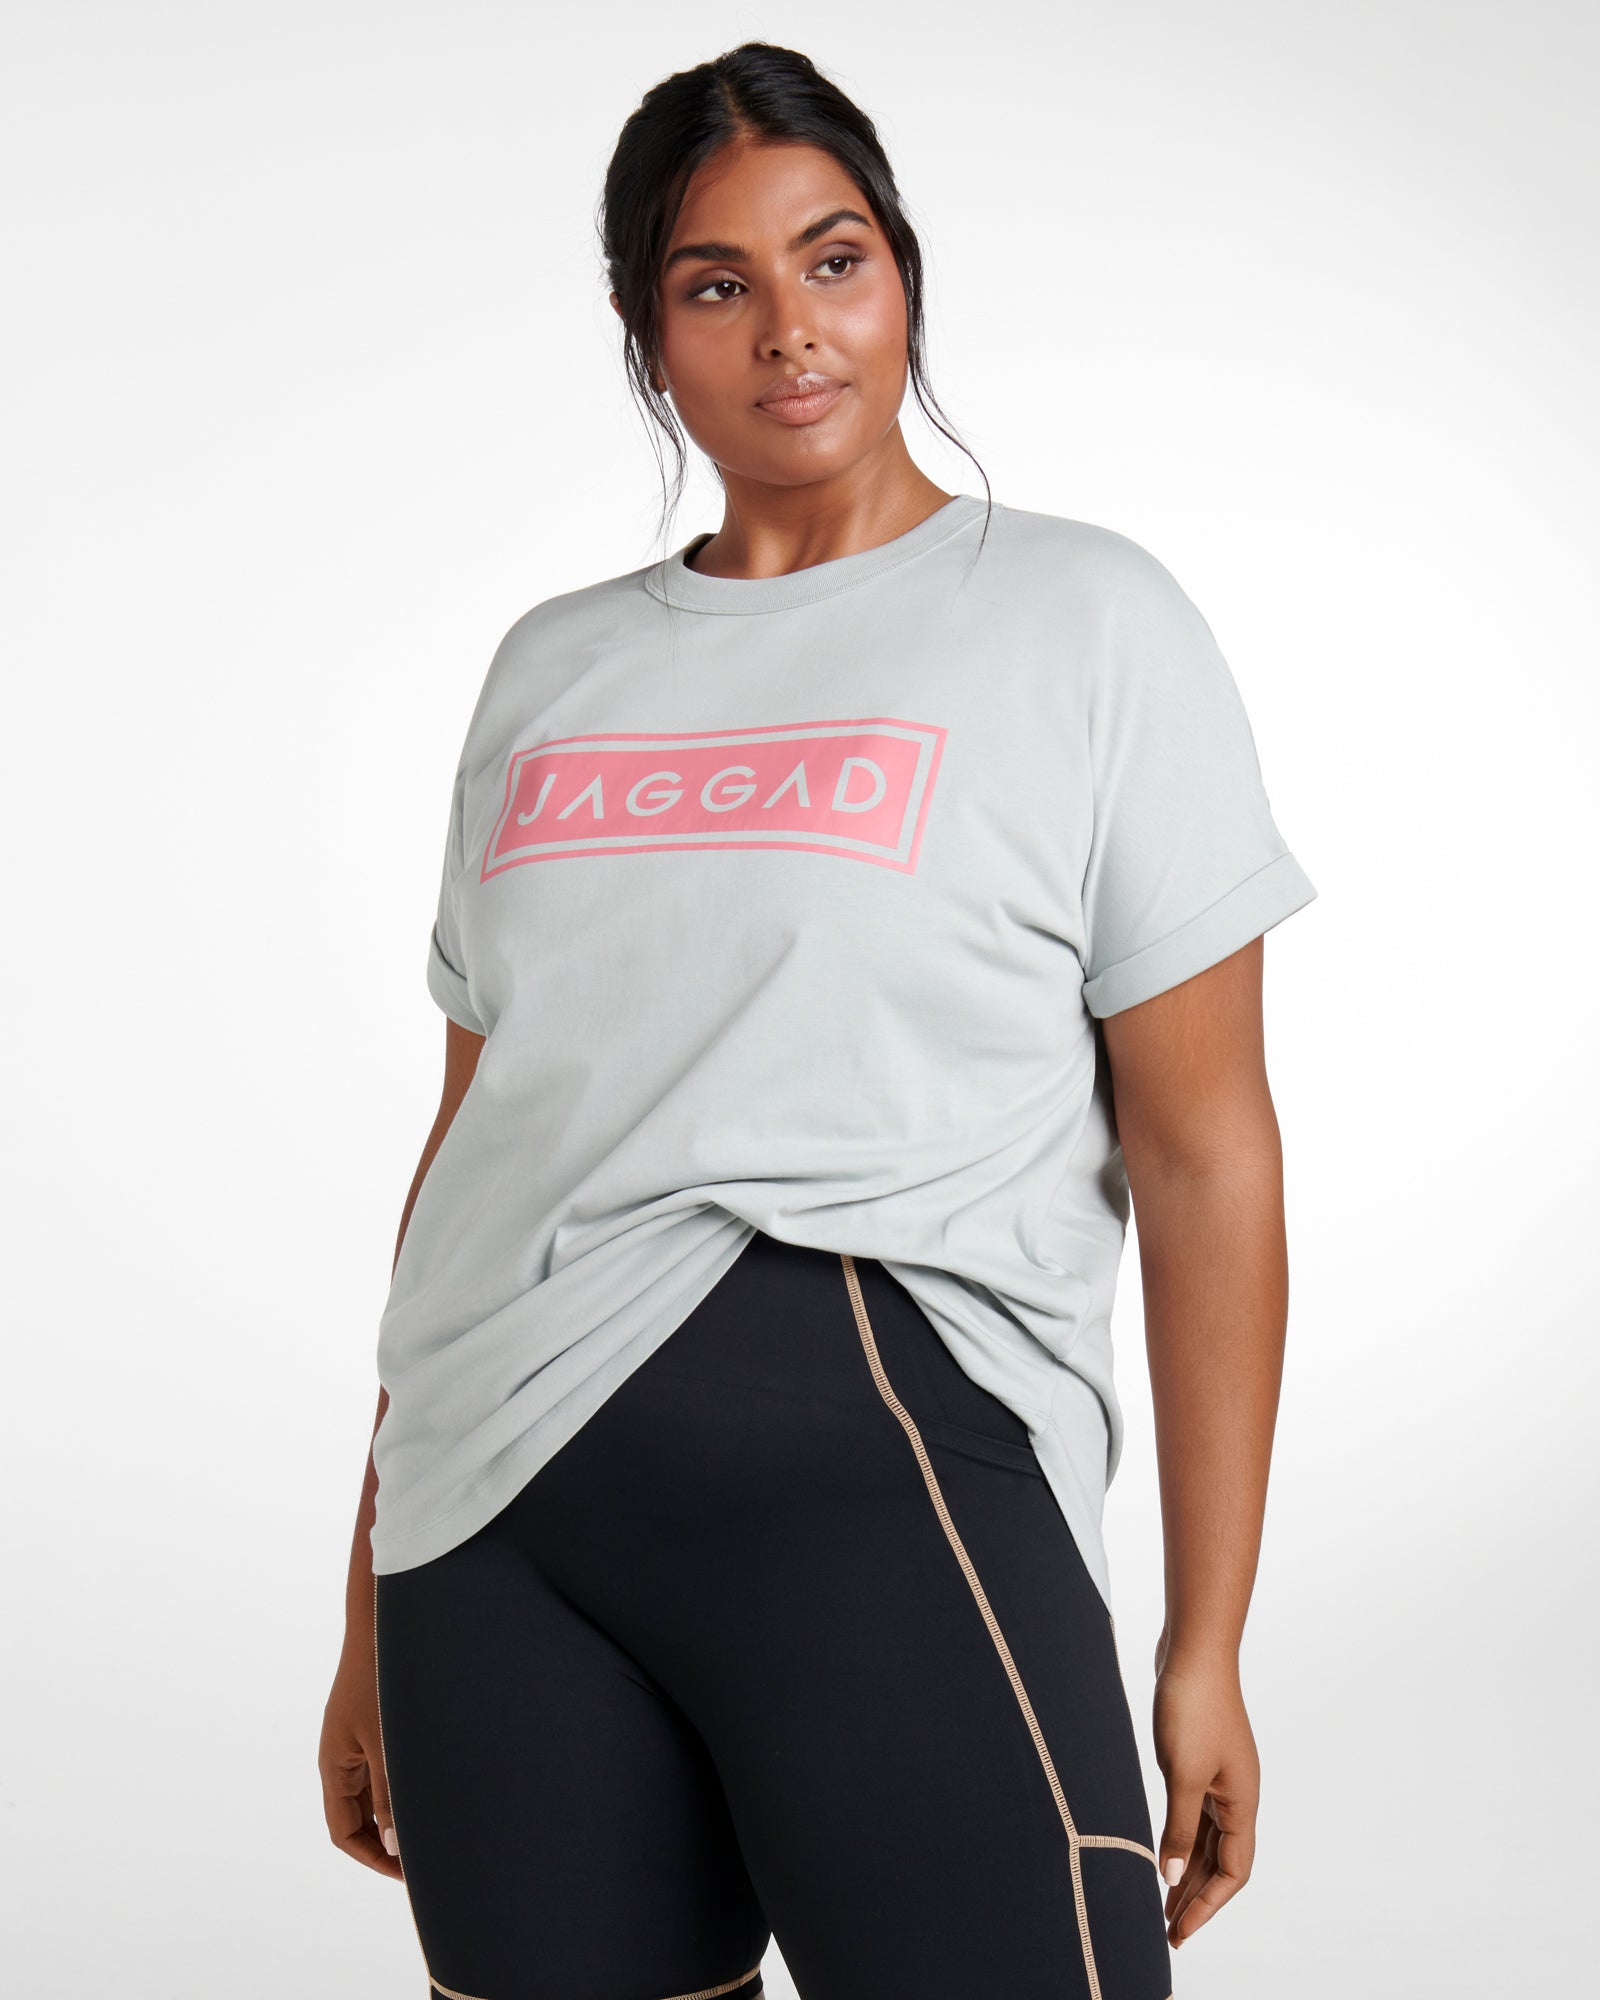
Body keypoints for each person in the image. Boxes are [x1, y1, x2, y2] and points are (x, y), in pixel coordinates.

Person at [318, 40, 1316, 2000]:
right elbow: (475, 1143)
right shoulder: (550, 670)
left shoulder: (1086, 623)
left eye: (833, 258)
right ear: (647, 335)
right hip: (496, 1537)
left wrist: (1205, 1639)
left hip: (894, 1504)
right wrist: (366, 1593)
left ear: (902, 276)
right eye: (719, 283)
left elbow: (1208, 1152)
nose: (789, 328)